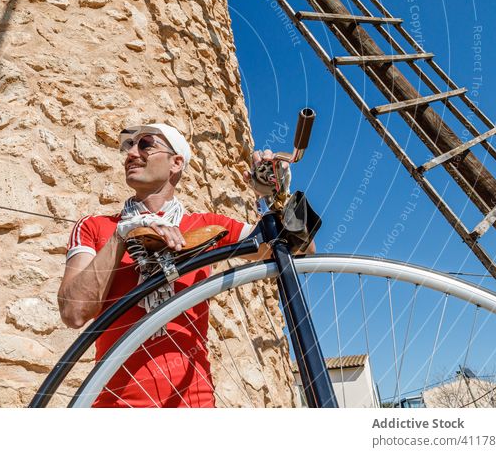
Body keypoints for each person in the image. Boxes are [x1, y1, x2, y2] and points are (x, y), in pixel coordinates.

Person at [57, 122, 315, 407]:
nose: (131, 153)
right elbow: (74, 312)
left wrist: (277, 197)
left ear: (176, 163)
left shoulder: (207, 227)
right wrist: (124, 234)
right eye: (128, 147)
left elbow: (298, 253)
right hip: (113, 406)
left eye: (145, 145)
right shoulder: (95, 227)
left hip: (193, 405)